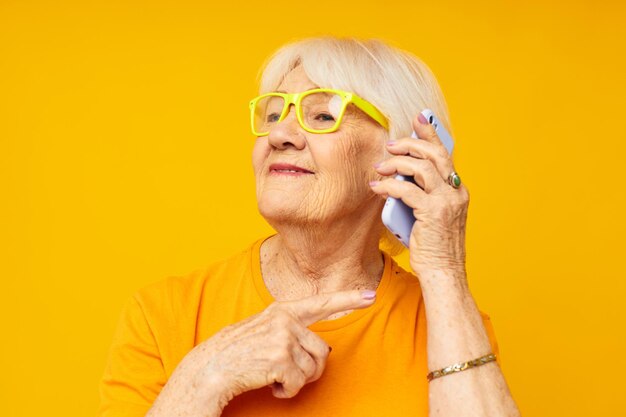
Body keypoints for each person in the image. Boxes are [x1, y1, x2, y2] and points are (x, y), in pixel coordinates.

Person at [98, 37, 521, 417]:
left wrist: (445, 270)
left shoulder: (452, 326)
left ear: (405, 158)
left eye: (322, 115)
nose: (281, 133)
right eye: (274, 113)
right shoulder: (162, 315)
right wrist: (208, 376)